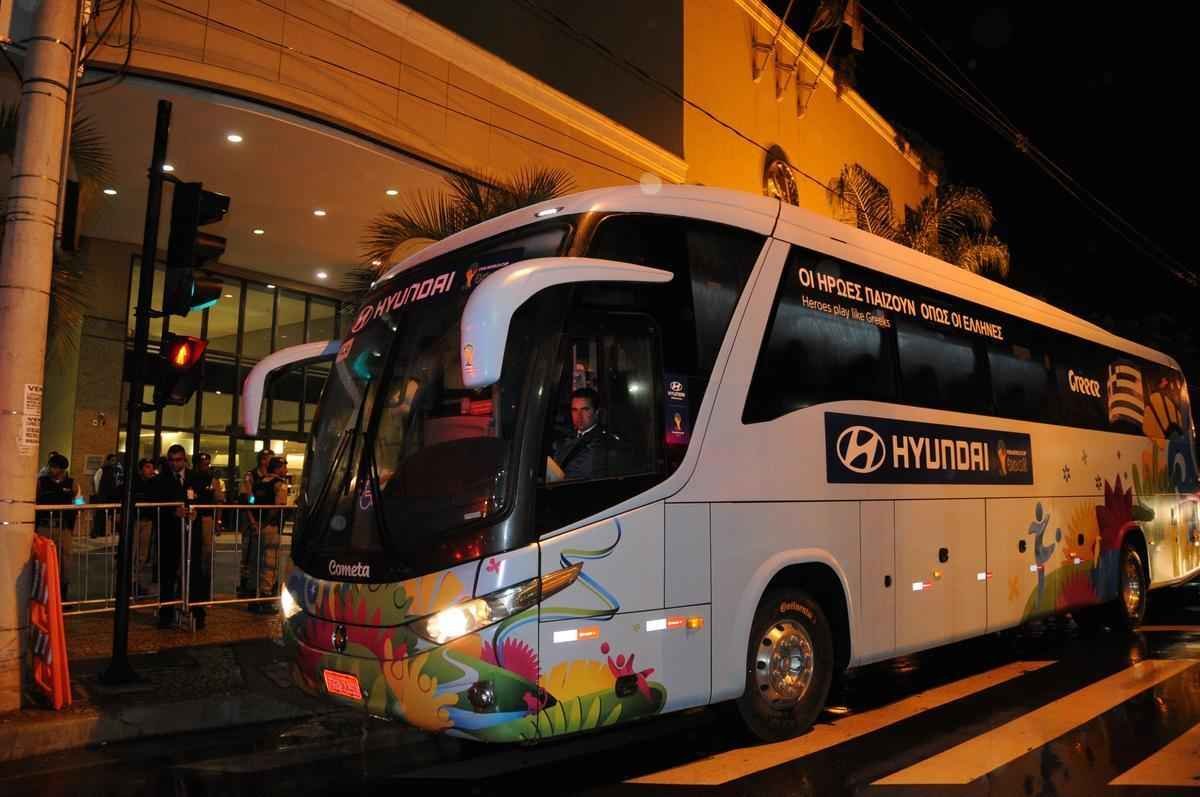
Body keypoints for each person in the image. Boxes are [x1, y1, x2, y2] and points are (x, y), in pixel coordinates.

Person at [153, 445, 207, 629]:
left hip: (191, 532)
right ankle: (166, 613)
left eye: (178, 460)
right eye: (172, 460)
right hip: (170, 533)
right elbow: (156, 503)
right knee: (168, 572)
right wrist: (172, 511)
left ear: (185, 460)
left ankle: (196, 611)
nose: (175, 464)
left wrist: (196, 512)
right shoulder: (161, 480)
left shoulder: (197, 478)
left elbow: (205, 501)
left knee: (194, 572)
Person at [35, 453, 80, 598]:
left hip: (63, 527)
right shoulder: (41, 482)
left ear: (62, 469)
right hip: (44, 526)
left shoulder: (71, 483)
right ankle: (43, 595)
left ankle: (62, 595)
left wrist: (78, 509)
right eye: (51, 466)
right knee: (42, 560)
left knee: (64, 562)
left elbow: (79, 501)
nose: (51, 469)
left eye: (55, 467)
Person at [246, 457, 288, 613]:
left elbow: (250, 502)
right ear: (277, 468)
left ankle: (252, 598)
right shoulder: (280, 484)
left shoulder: (258, 483)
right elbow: (278, 507)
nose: (286, 469)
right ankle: (264, 599)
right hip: (270, 527)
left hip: (256, 527)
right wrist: (263, 524)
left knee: (255, 562)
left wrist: (254, 523)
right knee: (269, 563)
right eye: (284, 466)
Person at [548, 388, 616, 481]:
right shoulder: (567, 435)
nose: (578, 416)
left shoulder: (601, 443)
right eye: (574, 410)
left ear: (596, 412)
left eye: (585, 410)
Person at [189, 453, 225, 616]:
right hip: (192, 519)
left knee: (206, 555)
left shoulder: (213, 480)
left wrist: (218, 522)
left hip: (206, 519)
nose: (205, 466)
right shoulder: (190, 478)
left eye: (207, 464)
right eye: (202, 463)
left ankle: (203, 591)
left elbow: (219, 502)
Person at [237, 449, 273, 599]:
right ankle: (245, 583)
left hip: (263, 520)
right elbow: (247, 499)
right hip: (250, 518)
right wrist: (252, 518)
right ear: (262, 460)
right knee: (248, 550)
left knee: (263, 555)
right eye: (269, 459)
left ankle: (259, 583)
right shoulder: (251, 476)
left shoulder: (271, 478)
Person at [131, 458, 157, 596]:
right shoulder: (133, 482)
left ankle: (137, 582)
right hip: (135, 520)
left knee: (142, 554)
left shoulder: (154, 484)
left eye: (152, 467)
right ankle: (129, 582)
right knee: (132, 551)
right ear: (141, 469)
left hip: (148, 521)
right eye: (147, 467)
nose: (151, 470)